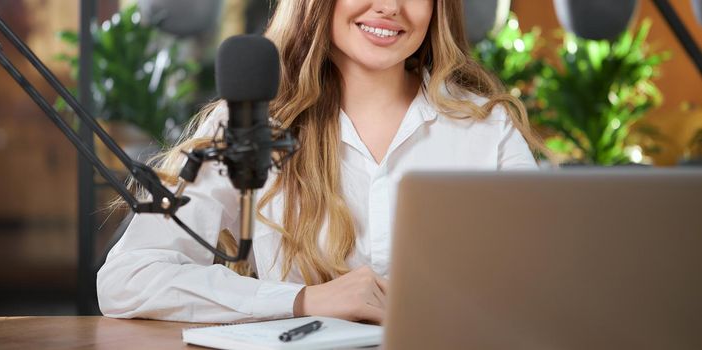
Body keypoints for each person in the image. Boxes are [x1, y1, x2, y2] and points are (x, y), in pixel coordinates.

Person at [97, 0, 544, 325]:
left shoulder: (487, 126)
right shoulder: (252, 122)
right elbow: (127, 279)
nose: (390, 7)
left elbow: (549, 277)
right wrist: (304, 301)